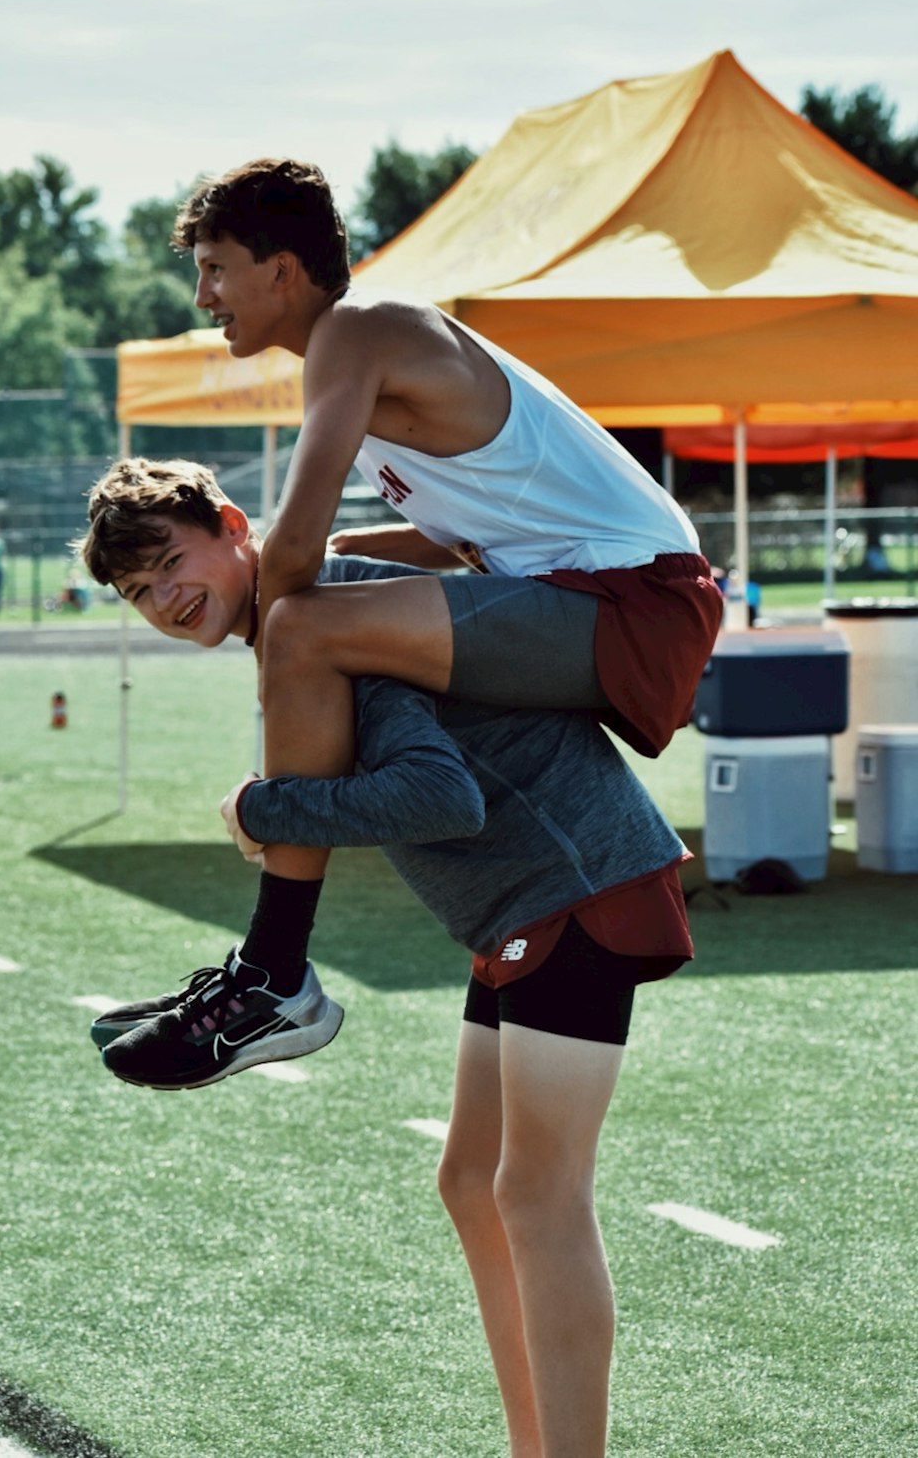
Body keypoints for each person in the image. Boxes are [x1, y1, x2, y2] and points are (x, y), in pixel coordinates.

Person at [81, 457, 693, 1457]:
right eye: (140, 591)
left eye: (170, 564)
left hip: (577, 890)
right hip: (520, 909)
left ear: (234, 524)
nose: (165, 598)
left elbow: (437, 795)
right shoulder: (308, 610)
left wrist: (260, 805)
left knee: (540, 1193)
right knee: (471, 1181)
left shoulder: (326, 614)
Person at [164, 156, 720, 1007]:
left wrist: (281, 668)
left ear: (281, 268)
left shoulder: (355, 331)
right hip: (615, 593)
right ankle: (277, 963)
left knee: (302, 626)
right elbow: (461, 524)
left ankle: (275, 967)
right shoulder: (363, 345)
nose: (203, 297)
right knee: (319, 599)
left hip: (639, 600)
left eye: (213, 268)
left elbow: (296, 553)